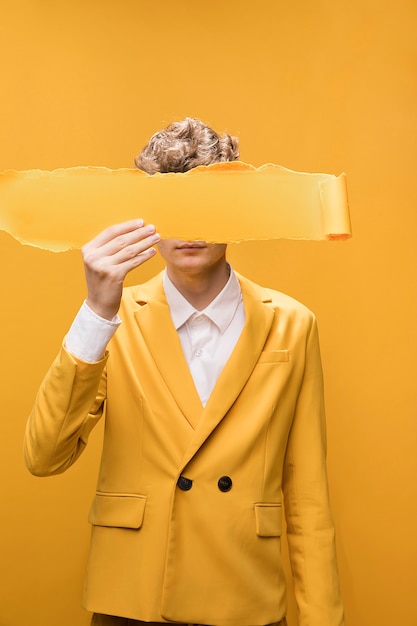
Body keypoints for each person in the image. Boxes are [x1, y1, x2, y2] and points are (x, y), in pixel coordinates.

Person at [24, 118, 344, 626]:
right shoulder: (112, 319)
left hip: (245, 596)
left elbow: (307, 496)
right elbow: (44, 456)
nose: (189, 227)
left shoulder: (292, 324)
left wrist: (321, 619)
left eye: (206, 204)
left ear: (234, 211)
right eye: (171, 205)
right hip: (133, 596)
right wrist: (96, 312)